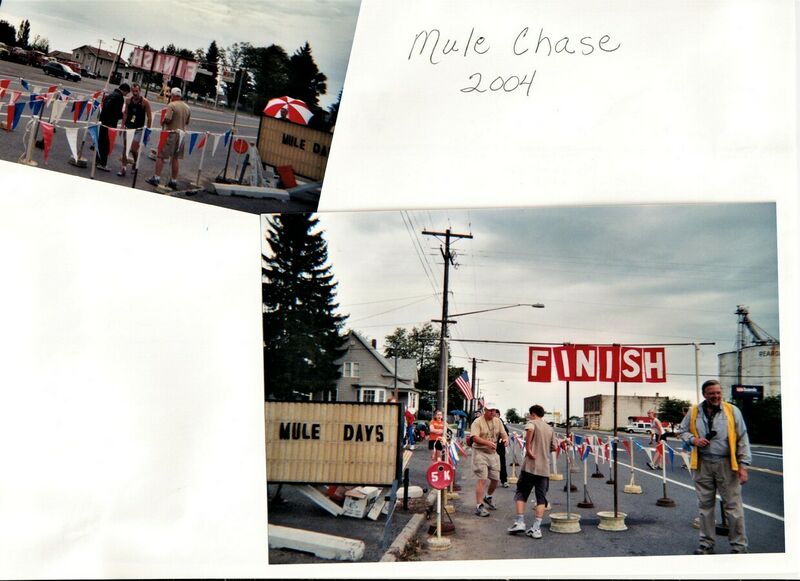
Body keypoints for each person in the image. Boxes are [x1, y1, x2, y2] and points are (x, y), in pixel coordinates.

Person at [680, 379, 751, 554]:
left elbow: (742, 438)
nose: (716, 396)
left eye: (718, 393)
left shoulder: (732, 411)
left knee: (733, 507)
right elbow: (682, 431)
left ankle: (739, 547)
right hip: (702, 463)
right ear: (704, 394)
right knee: (705, 506)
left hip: (727, 464)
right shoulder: (694, 411)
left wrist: (743, 466)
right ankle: (706, 545)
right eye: (711, 393)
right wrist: (694, 440)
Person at [507, 405, 556, 538]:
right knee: (541, 499)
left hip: (530, 466)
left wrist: (528, 448)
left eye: (529, 415)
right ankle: (536, 528)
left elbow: (530, 429)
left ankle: (520, 522)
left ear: (533, 414)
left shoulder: (532, 423)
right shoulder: (549, 428)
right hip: (544, 468)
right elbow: (554, 447)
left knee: (521, 493)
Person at [146, 87, 191, 190]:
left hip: (171, 133)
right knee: (175, 158)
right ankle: (173, 181)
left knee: (161, 156)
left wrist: (163, 122)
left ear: (173, 96)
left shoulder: (172, 105)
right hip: (181, 135)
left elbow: (168, 119)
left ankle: (156, 178)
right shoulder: (187, 107)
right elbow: (187, 122)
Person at [469, 402, 508, 517]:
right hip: (480, 452)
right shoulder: (477, 422)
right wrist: (487, 443)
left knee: (496, 479)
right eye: (490, 410)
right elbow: (474, 438)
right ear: (485, 410)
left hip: (492, 453)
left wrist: (505, 439)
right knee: (482, 479)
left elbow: (503, 434)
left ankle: (488, 497)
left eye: (494, 410)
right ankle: (479, 506)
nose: (492, 412)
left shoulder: (498, 421)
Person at [117, 82, 152, 177]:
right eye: (133, 91)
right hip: (128, 127)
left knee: (133, 149)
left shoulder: (145, 102)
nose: (135, 93)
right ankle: (123, 168)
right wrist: (122, 126)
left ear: (140, 91)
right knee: (125, 148)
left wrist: (148, 132)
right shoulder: (128, 100)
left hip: (138, 129)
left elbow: (149, 117)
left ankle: (135, 163)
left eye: (137, 91)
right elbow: (125, 114)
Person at [96, 83, 130, 171]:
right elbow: (116, 112)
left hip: (103, 121)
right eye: (127, 93)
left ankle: (98, 161)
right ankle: (102, 164)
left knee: (101, 142)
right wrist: (123, 115)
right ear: (124, 90)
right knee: (106, 144)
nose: (126, 95)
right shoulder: (119, 97)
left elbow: (105, 107)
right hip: (110, 123)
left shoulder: (111, 94)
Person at [497, 415, 509, 487]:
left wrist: (504, 439)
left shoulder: (500, 422)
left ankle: (504, 481)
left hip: (500, 447)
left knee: (502, 463)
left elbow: (506, 433)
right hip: (490, 447)